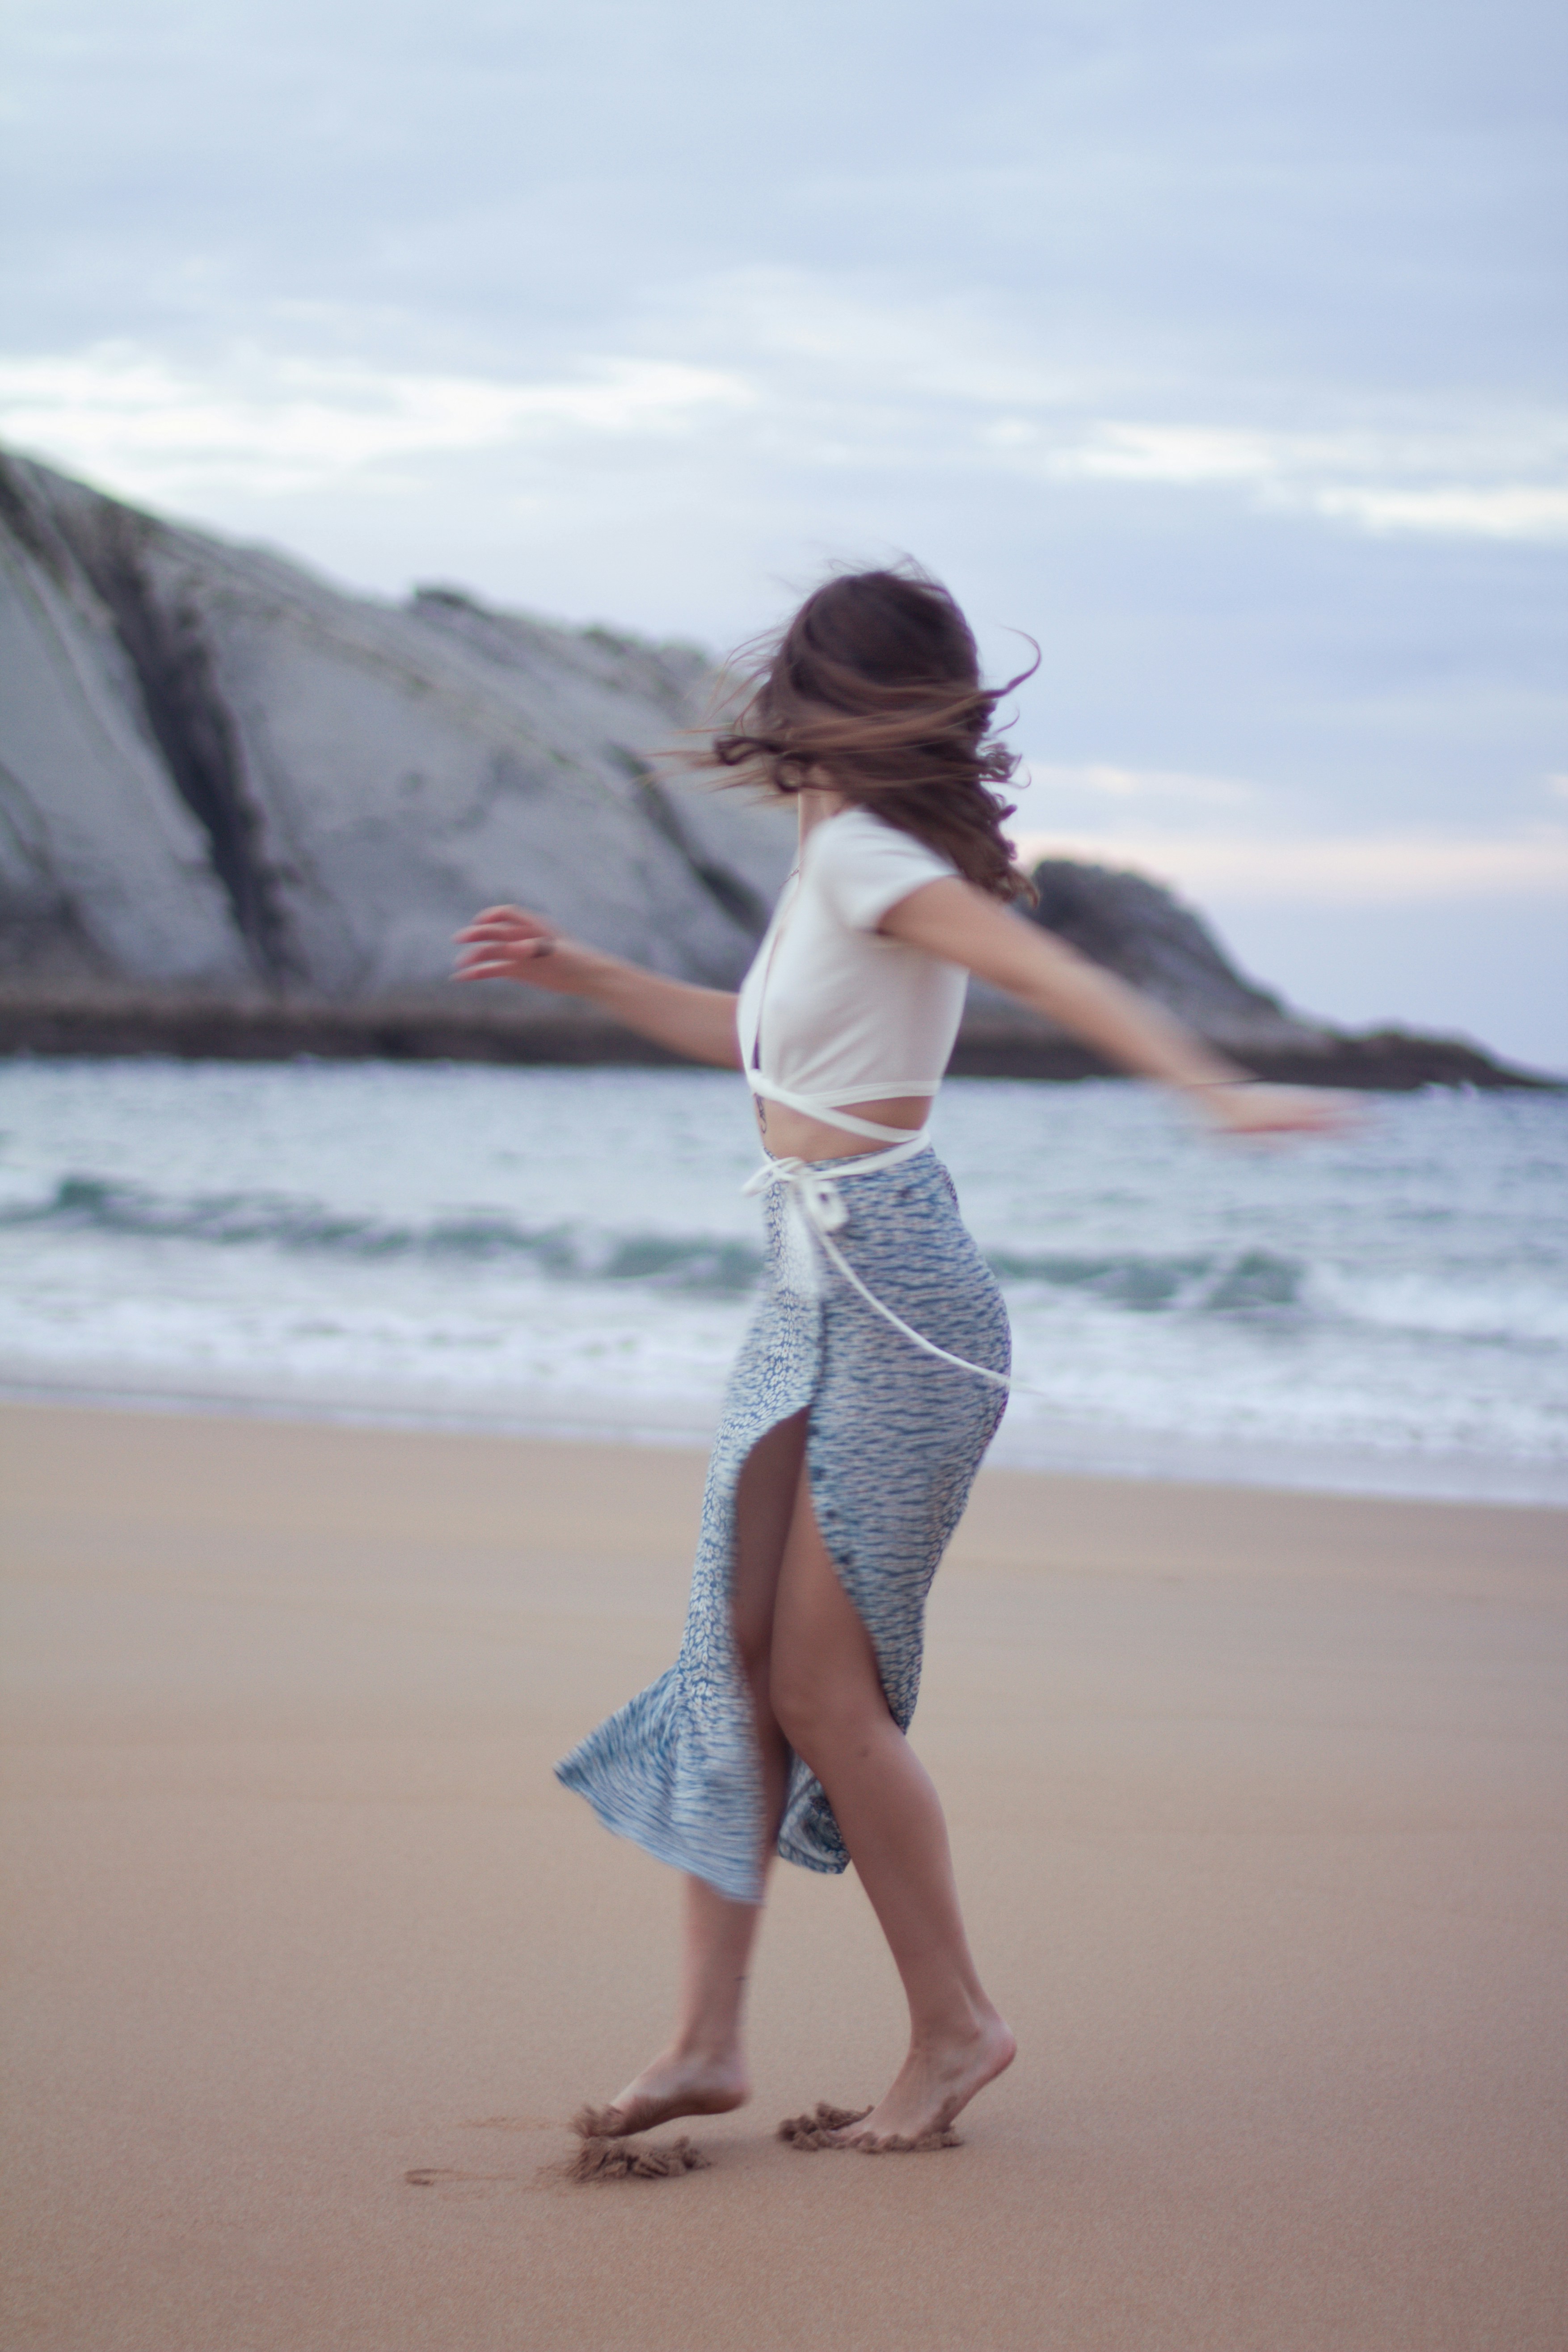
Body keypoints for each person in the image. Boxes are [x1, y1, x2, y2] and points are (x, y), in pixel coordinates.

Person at [454, 565, 1341, 2153]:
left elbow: (1054, 977)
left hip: (900, 1301)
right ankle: (705, 2045)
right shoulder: (834, 858)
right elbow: (754, 1038)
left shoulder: (874, 855)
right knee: (729, 1659)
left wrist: (1211, 1089)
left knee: (818, 1684)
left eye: (799, 693)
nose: (775, 723)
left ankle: (957, 2030)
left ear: (833, 704)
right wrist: (576, 971)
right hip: (808, 1284)